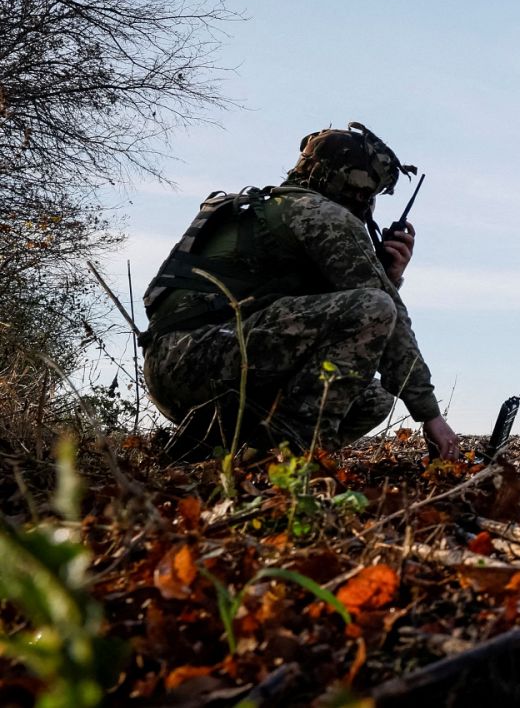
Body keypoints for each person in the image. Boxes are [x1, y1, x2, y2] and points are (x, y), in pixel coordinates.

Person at [140, 122, 461, 461]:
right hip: (206, 361)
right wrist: (430, 415)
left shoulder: (263, 208)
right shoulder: (319, 213)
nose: (369, 206)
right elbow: (379, 315)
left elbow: (320, 322)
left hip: (179, 367)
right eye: (367, 194)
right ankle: (298, 464)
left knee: (375, 397)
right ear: (349, 183)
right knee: (375, 306)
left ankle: (245, 462)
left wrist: (388, 277)